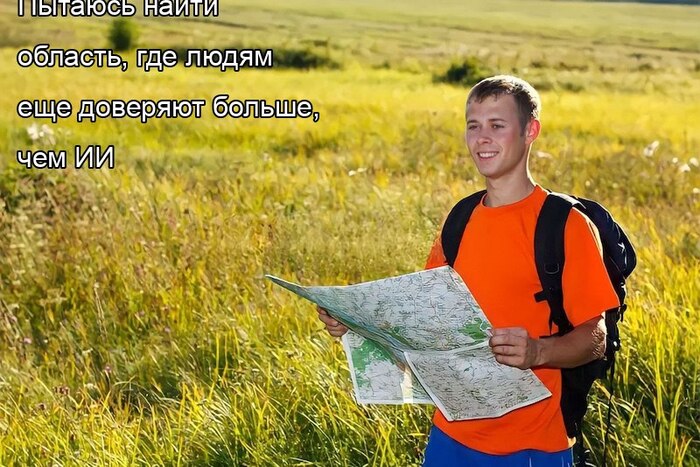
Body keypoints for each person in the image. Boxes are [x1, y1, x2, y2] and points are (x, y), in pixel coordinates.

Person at [317, 75, 619, 466]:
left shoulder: (565, 225)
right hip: (450, 436)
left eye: (497, 125)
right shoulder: (460, 219)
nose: (482, 138)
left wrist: (538, 351)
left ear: (531, 131)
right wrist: (355, 324)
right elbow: (422, 324)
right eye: (473, 126)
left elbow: (596, 337)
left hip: (533, 444)